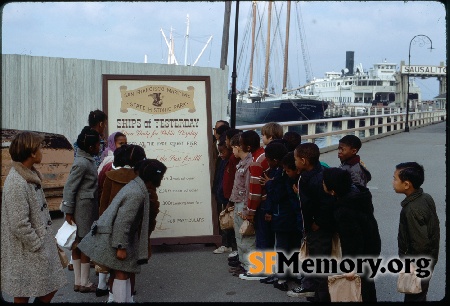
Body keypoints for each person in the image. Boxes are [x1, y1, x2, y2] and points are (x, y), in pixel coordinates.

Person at [77, 159, 167, 303]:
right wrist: (120, 246)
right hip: (115, 239)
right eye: (161, 177)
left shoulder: (136, 186)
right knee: (121, 274)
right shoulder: (137, 193)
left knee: (122, 272)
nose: (162, 180)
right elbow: (123, 221)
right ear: (154, 177)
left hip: (113, 236)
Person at [1, 131, 67, 303]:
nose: (41, 152)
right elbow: (19, 224)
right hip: (25, 251)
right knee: (23, 292)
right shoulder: (17, 182)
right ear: (31, 152)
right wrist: (38, 244)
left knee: (47, 285)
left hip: (32, 249)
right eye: (39, 148)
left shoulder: (29, 176)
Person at [323, 167, 381, 302]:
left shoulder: (345, 210)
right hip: (372, 243)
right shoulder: (358, 194)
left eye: (324, 183)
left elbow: (353, 240)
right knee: (367, 283)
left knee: (361, 288)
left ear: (333, 190)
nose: (322, 184)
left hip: (362, 252)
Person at [287, 143, 335, 301]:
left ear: (303, 160)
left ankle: (322, 297)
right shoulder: (315, 173)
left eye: (295, 159)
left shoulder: (314, 179)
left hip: (317, 228)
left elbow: (326, 203)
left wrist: (317, 222)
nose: (294, 163)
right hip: (311, 226)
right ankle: (315, 291)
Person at [61, 126, 101, 293]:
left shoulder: (85, 159)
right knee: (85, 245)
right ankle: (84, 282)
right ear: (91, 147)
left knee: (77, 245)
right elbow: (69, 188)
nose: (100, 147)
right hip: (83, 210)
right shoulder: (83, 163)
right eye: (99, 144)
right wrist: (68, 211)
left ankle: (79, 282)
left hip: (83, 208)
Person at [392, 162, 440, 302]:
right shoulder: (425, 197)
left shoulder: (411, 210)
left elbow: (420, 242)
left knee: (414, 296)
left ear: (406, 184)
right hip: (429, 259)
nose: (393, 182)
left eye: (395, 179)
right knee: (420, 294)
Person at [260, 143, 302, 291]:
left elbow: (277, 195)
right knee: (295, 246)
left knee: (282, 247)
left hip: (281, 217)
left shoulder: (281, 175)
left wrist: (269, 185)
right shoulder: (296, 176)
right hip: (295, 218)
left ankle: (281, 277)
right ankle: (295, 274)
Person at [227, 133, 254, 277]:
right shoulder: (242, 164)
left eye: (233, 148)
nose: (232, 151)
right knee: (239, 235)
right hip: (238, 202)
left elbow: (248, 189)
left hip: (243, 203)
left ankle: (251, 266)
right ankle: (244, 264)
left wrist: (246, 209)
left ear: (238, 147)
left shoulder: (248, 164)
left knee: (246, 236)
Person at [213, 134, 236, 254]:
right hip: (222, 194)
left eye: (223, 152)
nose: (221, 154)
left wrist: (230, 199)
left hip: (229, 197)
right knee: (225, 221)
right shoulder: (222, 161)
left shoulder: (231, 161)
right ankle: (226, 244)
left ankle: (232, 246)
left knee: (231, 222)